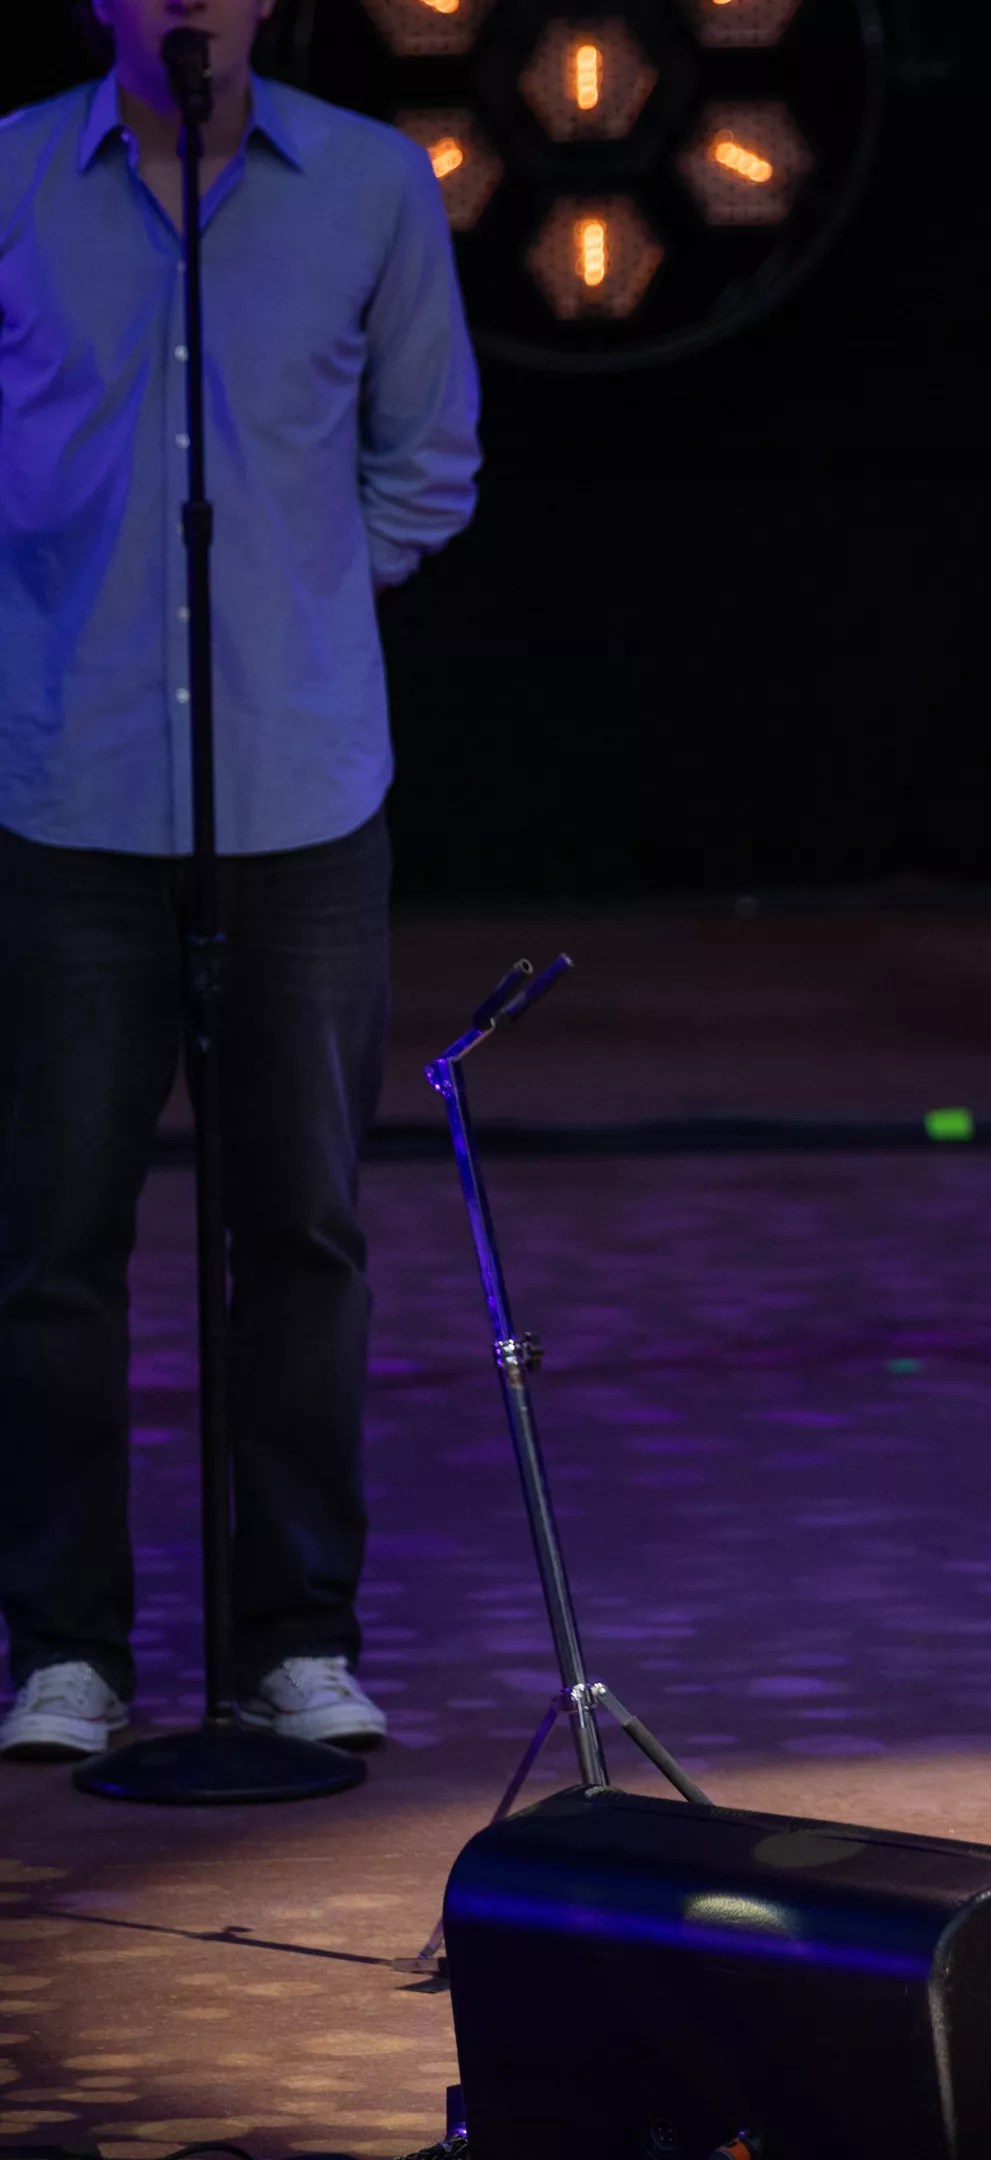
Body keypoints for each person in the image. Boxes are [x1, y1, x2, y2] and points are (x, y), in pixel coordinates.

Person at [0, 0, 481, 1761]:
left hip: (297, 790)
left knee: (300, 1230)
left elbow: (429, 455)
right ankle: (63, 1648)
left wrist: (300, 607)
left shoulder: (366, 183)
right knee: (52, 1244)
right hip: (62, 787)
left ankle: (296, 1635)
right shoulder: (10, 181)